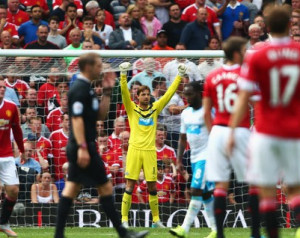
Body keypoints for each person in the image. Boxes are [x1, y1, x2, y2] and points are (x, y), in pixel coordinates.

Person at [54, 53, 149, 238]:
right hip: (82, 146)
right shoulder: (79, 89)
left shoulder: (87, 89)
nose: (101, 69)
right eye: (98, 65)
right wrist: (82, 147)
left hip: (82, 145)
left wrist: (107, 92)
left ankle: (59, 235)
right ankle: (123, 233)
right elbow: (76, 120)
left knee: (72, 188)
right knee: (104, 187)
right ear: (88, 67)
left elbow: (100, 116)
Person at [227, 7, 300, 238]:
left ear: (266, 28)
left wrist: (231, 132)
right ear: (290, 26)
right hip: (294, 131)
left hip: (265, 132)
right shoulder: (299, 52)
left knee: (266, 192)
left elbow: (243, 98)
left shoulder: (257, 56)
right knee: (295, 190)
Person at [203, 37, 262, 238]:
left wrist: (213, 135)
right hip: (240, 130)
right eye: (244, 50)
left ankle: (219, 234)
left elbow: (206, 112)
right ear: (237, 53)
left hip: (217, 131)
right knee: (254, 183)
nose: (246, 54)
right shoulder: (245, 75)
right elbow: (257, 105)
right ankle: (255, 233)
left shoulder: (212, 76)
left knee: (220, 185)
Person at [118, 61, 187, 228]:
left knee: (152, 186)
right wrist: (122, 74)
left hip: (149, 151)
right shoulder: (132, 109)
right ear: (138, 97)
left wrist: (179, 76)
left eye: (148, 94)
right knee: (130, 185)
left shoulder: (155, 108)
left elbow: (169, 94)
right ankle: (124, 220)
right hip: (135, 150)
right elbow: (124, 94)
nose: (146, 96)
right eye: (143, 94)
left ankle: (156, 220)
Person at [170, 81, 216, 238]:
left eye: (190, 94)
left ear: (199, 93)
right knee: (205, 194)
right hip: (194, 156)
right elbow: (182, 138)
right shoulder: (185, 114)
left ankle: (184, 228)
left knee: (195, 189)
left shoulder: (209, 110)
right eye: (185, 94)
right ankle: (216, 229)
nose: (187, 97)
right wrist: (179, 160)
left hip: (208, 155)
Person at [0, 77, 25, 237]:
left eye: (3, 87)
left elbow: (16, 130)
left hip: (6, 154)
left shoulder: (11, 107)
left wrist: (21, 149)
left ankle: (3, 222)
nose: (2, 89)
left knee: (14, 190)